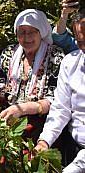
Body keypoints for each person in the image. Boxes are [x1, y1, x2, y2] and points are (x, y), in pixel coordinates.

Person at [0, 9, 64, 143]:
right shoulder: (9, 53)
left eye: (32, 32)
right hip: (8, 117)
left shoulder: (55, 57)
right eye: (21, 32)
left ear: (42, 32)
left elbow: (56, 99)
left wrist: (23, 110)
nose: (26, 38)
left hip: (41, 123)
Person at [35, 11, 85, 173]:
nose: (83, 47)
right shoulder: (70, 62)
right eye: (79, 41)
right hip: (73, 146)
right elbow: (61, 108)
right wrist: (44, 141)